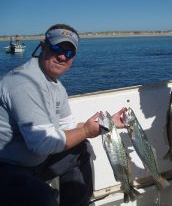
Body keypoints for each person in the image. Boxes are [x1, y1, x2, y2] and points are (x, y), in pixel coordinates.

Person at [0, 24, 125, 206]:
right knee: (41, 197)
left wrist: (108, 124)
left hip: (34, 163)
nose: (61, 56)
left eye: (69, 53)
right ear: (43, 46)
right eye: (57, 48)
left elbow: (67, 129)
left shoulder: (57, 87)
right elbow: (42, 144)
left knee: (81, 149)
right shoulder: (23, 83)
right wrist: (86, 131)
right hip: (7, 165)